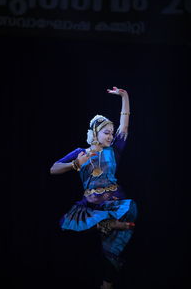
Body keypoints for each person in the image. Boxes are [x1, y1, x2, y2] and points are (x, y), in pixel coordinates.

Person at [50, 87, 137, 289]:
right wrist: (75, 165)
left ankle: (107, 285)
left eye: (111, 133)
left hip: (113, 205)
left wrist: (125, 96)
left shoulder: (114, 150)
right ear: (95, 133)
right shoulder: (81, 152)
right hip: (91, 207)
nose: (110, 136)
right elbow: (53, 169)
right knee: (70, 229)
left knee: (113, 248)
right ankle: (103, 226)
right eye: (106, 132)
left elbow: (124, 126)